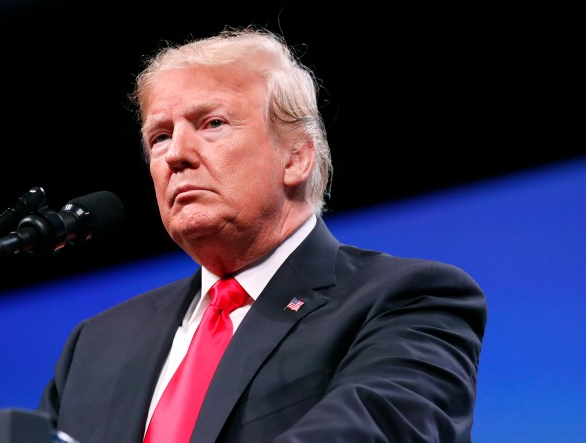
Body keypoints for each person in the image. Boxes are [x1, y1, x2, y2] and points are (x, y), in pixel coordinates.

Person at [38, 25, 487, 442]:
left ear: (297, 157)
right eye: (159, 137)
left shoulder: (407, 299)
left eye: (212, 124)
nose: (176, 154)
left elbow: (370, 429)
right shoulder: (96, 346)